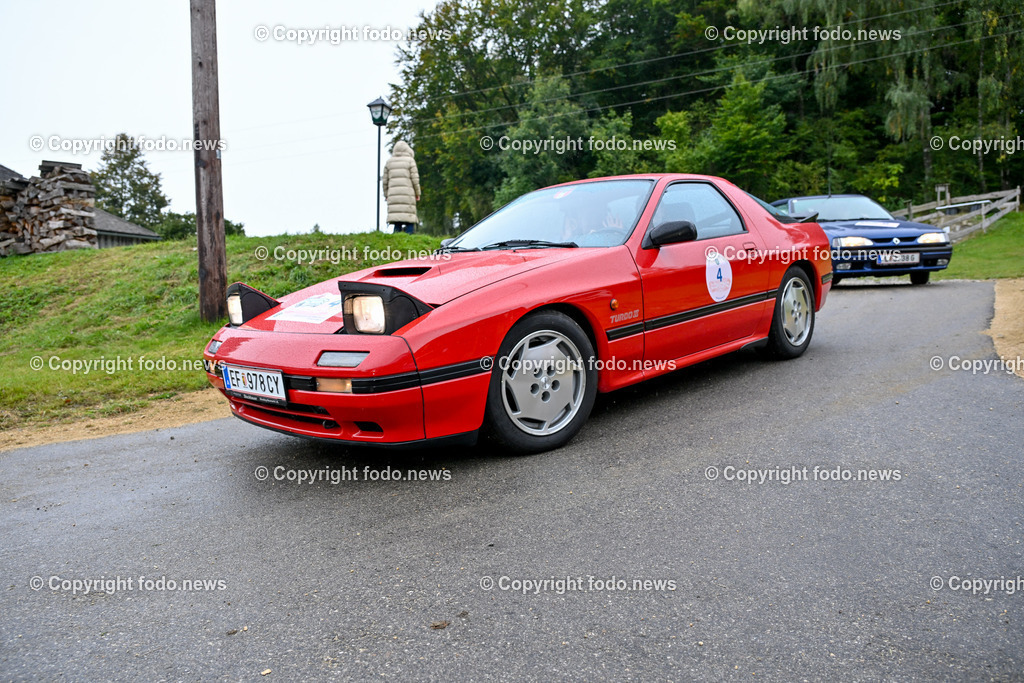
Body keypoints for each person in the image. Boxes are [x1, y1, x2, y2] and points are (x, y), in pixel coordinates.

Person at [382, 141, 421, 234]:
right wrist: (417, 193)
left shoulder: (389, 162)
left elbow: (385, 181)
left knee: (397, 220)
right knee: (409, 219)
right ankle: (410, 237)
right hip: (408, 194)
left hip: (393, 195)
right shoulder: (410, 161)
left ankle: (396, 237)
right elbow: (415, 179)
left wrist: (386, 194)